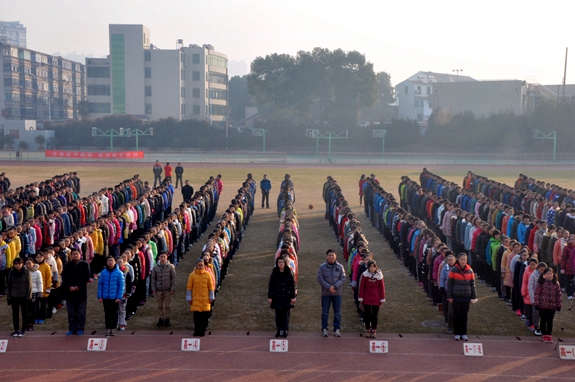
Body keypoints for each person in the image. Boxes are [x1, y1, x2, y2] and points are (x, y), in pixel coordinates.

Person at [447, 253, 478, 341]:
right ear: (458, 260)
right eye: (461, 259)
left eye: (465, 260)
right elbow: (450, 285)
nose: (463, 261)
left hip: (466, 296)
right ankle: (457, 333)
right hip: (456, 296)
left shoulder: (470, 271)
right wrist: (449, 296)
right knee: (456, 315)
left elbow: (472, 285)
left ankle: (463, 333)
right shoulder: (453, 270)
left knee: (464, 315)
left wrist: (473, 296)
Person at [61, 248, 91, 336]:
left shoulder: (85, 265)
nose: (75, 255)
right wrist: (70, 286)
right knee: (71, 313)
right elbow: (64, 278)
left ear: (80, 255)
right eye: (73, 254)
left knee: (81, 313)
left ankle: (80, 328)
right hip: (69, 292)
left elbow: (86, 277)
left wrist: (78, 286)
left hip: (81, 292)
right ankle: (72, 329)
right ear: (71, 255)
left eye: (76, 254)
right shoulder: (67, 265)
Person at [317, 249, 346, 337]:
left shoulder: (340, 267)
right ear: (326, 256)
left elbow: (343, 278)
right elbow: (320, 279)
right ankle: (324, 328)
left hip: (337, 293)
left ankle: (337, 329)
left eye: (332, 255)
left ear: (335, 256)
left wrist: (335, 286)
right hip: (326, 293)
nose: (331, 257)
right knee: (325, 312)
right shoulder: (322, 267)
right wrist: (329, 287)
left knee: (337, 313)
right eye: (329, 255)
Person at [268, 256, 296, 338]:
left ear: (285, 263)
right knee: (278, 315)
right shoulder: (274, 273)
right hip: (277, 297)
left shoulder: (289, 272)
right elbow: (271, 285)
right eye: (279, 262)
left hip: (286, 297)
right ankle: (279, 330)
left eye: (282, 262)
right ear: (277, 263)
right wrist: (270, 297)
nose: (280, 264)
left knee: (285, 315)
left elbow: (292, 285)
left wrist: (292, 296)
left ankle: (284, 330)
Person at [186, 259, 214, 337]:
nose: (200, 266)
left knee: (205, 316)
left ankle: (202, 330)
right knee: (196, 316)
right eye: (199, 265)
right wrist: (189, 297)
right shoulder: (192, 275)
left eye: (202, 265)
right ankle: (197, 330)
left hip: (205, 299)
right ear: (196, 266)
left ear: (204, 266)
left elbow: (210, 287)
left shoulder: (208, 274)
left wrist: (211, 296)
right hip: (195, 298)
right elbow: (189, 287)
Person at [97, 256, 124, 337]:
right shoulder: (103, 273)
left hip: (114, 298)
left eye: (112, 260)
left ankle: (113, 327)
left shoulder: (119, 273)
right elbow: (100, 284)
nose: (110, 262)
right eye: (108, 260)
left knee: (114, 313)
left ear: (115, 262)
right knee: (107, 313)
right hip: (105, 297)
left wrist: (119, 297)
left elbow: (121, 285)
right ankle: (108, 327)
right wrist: (100, 296)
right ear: (106, 262)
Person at [358, 259, 386, 338]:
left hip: (376, 298)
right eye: (370, 267)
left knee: (374, 315)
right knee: (367, 314)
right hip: (367, 297)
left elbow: (382, 288)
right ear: (368, 267)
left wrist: (382, 298)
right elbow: (362, 287)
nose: (372, 268)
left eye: (374, 267)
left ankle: (374, 330)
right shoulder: (365, 275)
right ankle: (367, 329)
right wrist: (361, 298)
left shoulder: (379, 276)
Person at [534, 267, 562, 343]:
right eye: (547, 274)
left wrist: (558, 305)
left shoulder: (556, 284)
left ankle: (549, 335)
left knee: (550, 321)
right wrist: (537, 304)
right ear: (544, 275)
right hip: (542, 305)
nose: (549, 275)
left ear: (553, 274)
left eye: (550, 274)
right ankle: (544, 335)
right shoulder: (541, 283)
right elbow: (537, 294)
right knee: (543, 320)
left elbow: (558, 295)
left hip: (552, 306)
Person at [7, 257, 31, 337]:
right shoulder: (11, 273)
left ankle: (24, 329)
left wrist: (28, 297)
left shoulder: (26, 272)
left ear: (22, 264)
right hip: (14, 295)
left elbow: (29, 286)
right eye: (16, 264)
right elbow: (9, 285)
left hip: (23, 295)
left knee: (25, 313)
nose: (17, 265)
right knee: (15, 314)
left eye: (19, 264)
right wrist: (9, 297)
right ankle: (16, 329)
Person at [151, 251, 176, 328]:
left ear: (166, 257)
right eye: (161, 257)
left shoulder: (171, 267)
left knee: (168, 306)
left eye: (164, 257)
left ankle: (167, 319)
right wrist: (153, 289)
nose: (163, 258)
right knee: (159, 305)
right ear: (159, 257)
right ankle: (161, 318)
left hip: (167, 289)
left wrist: (172, 288)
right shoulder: (155, 268)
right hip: (158, 290)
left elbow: (173, 278)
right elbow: (153, 279)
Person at [25, 257, 43, 331]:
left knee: (33, 309)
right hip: (25, 294)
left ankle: (31, 324)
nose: (28, 265)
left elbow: (40, 283)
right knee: (25, 309)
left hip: (34, 293)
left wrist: (40, 292)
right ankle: (26, 323)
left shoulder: (37, 272)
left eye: (30, 263)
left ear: (33, 264)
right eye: (26, 264)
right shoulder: (24, 272)